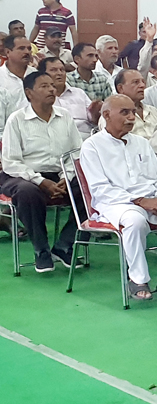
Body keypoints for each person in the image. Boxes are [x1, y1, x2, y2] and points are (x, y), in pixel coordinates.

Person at [81, 94, 157, 305]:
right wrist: (141, 201)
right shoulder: (92, 146)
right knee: (135, 221)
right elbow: (100, 188)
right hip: (115, 203)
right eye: (124, 112)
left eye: (133, 112)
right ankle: (138, 279)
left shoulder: (141, 143)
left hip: (152, 198)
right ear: (106, 115)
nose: (132, 117)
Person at [0, 71, 85, 272]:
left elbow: (76, 153)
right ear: (29, 93)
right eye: (44, 86)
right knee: (27, 192)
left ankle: (65, 244)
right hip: (22, 175)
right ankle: (41, 250)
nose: (51, 90)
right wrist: (40, 181)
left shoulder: (65, 117)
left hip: (59, 173)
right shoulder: (17, 119)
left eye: (52, 86)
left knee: (90, 187)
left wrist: (67, 177)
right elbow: (11, 162)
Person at [40, 57, 96, 139]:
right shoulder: (40, 98)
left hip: (86, 138)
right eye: (53, 70)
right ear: (42, 75)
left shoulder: (79, 93)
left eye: (62, 70)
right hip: (57, 139)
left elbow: (93, 117)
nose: (59, 73)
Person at [0, 36, 35, 135]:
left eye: (29, 48)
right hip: (8, 136)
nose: (27, 52)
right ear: (7, 52)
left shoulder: (37, 75)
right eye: (21, 48)